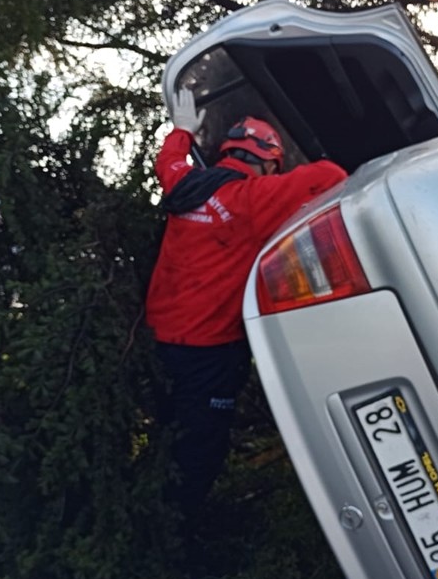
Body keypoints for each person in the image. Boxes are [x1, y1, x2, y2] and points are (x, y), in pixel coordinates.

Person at [146, 89, 347, 519]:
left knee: (165, 433)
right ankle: (173, 537)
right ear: (269, 162)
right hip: (207, 354)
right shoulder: (253, 199)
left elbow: (169, 162)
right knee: (198, 452)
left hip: (159, 341)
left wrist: (181, 131)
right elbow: (330, 174)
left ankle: (145, 511)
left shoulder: (187, 187)